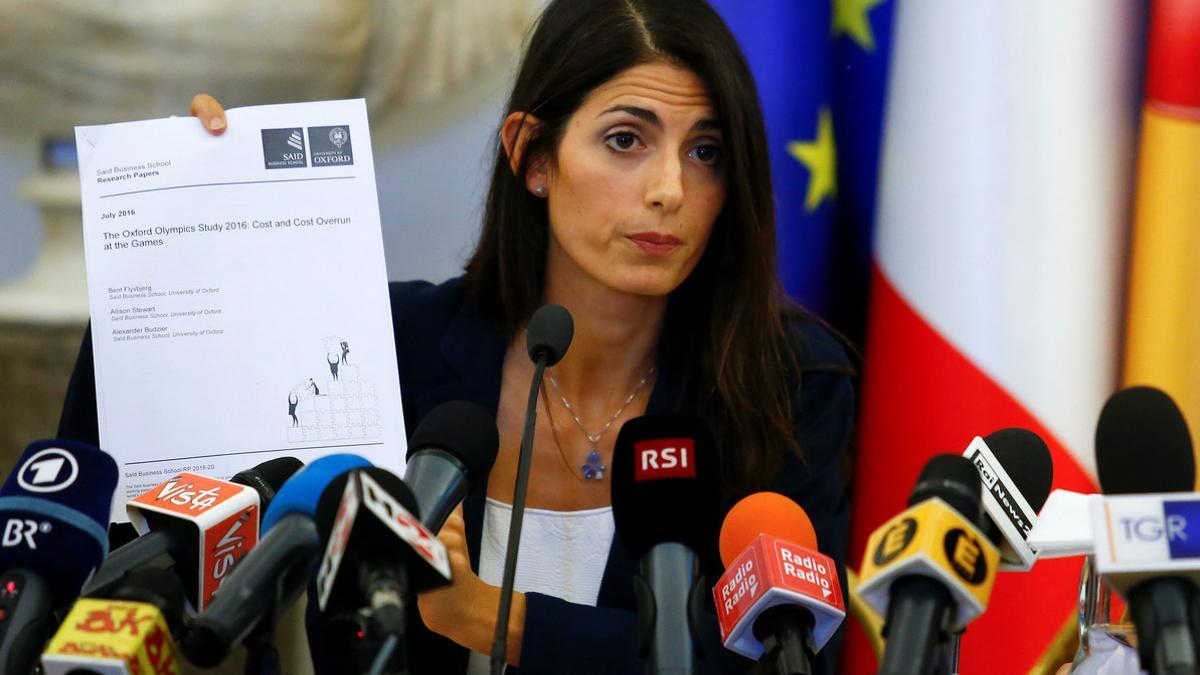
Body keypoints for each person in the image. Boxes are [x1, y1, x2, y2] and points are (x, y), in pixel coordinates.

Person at [58, 0, 856, 672]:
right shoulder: (387, 346)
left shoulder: (788, 381)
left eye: (707, 152)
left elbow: (783, 654)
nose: (670, 189)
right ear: (531, 155)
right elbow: (131, 504)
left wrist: (493, 618)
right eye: (626, 140)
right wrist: (188, 219)